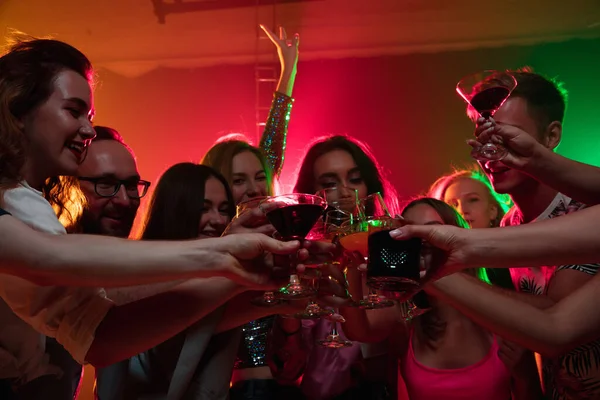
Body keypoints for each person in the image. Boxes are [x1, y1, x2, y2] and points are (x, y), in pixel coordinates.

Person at [0, 36, 302, 392]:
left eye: (90, 115)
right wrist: (224, 253)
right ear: (19, 112)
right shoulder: (24, 215)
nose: (88, 129)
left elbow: (101, 338)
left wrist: (275, 285)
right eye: (74, 110)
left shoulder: (28, 203)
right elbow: (45, 256)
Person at [410, 68, 599, 399]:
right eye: (485, 135)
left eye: (507, 134)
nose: (490, 152)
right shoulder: (510, 224)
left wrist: (428, 269)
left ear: (551, 136)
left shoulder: (584, 210)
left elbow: (554, 320)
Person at [342, 198, 541, 400]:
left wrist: (525, 375)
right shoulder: (406, 319)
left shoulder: (501, 318)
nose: (421, 240)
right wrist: (350, 263)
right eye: (410, 233)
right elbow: (358, 330)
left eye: (432, 231)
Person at [428, 166, 513, 288]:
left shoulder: (515, 260)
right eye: (452, 204)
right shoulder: (436, 265)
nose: (462, 210)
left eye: (473, 200)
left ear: (492, 210)